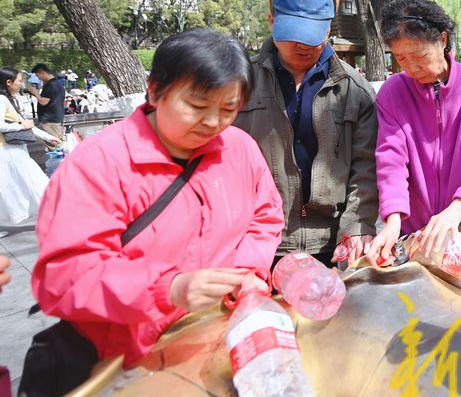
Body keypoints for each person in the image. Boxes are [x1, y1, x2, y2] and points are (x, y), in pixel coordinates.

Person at [32, 29, 284, 365]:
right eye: (196, 105)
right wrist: (168, 289)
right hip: (128, 361)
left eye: (228, 109)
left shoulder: (239, 148)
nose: (212, 122)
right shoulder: (99, 164)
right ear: (155, 90)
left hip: (215, 341)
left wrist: (243, 273)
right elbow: (64, 276)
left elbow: (265, 215)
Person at [234, 0, 378, 266]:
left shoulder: (355, 90)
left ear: (328, 28)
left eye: (312, 34)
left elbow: (366, 169)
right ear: (272, 21)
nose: (302, 44)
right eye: (292, 33)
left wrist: (356, 227)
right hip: (258, 245)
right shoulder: (239, 83)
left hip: (333, 245)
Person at [366, 0, 461, 264]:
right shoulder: (393, 93)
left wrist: (457, 208)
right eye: (401, 59)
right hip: (416, 232)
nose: (411, 68)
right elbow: (391, 160)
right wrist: (393, 219)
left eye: (419, 56)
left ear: (443, 40)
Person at [0, 68, 52, 224]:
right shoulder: (2, 100)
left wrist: (48, 137)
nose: (21, 83)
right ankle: (54, 212)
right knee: (34, 182)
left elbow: (27, 125)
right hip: (8, 151)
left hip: (12, 150)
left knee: (13, 187)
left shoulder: (8, 99)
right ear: (8, 82)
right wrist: (21, 126)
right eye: (19, 80)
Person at [24, 63, 65, 145]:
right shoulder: (58, 83)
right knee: (58, 144)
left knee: (54, 145)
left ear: (43, 73)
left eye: (38, 75)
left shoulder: (50, 85)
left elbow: (43, 102)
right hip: (56, 118)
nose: (38, 78)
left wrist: (35, 92)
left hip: (49, 121)